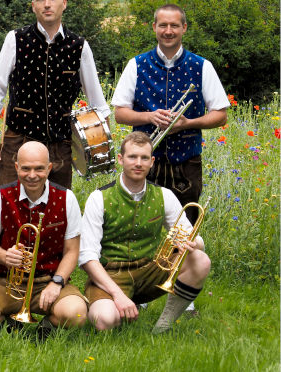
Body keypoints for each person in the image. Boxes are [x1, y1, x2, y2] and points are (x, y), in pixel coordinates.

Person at [0, 0, 110, 190]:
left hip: (60, 147)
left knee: (55, 216)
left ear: (64, 3)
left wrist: (103, 148)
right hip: (18, 142)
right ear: (33, 6)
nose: (47, 4)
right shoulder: (15, 39)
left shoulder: (79, 46)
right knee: (10, 208)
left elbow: (98, 104)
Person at [79, 132, 211, 333]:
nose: (138, 163)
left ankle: (163, 326)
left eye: (144, 158)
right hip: (111, 275)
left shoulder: (164, 195)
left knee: (200, 259)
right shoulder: (99, 198)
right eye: (132, 157)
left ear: (152, 162)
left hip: (149, 271)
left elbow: (191, 235)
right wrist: (118, 295)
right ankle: (117, 307)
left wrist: (190, 242)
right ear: (121, 160)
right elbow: (88, 258)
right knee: (104, 320)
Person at [111, 3, 228, 224]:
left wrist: (187, 123)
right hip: (144, 162)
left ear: (184, 28)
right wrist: (149, 116)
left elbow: (220, 115)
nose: (168, 31)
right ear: (154, 27)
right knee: (142, 226)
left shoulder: (202, 66)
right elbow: (120, 114)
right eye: (163, 25)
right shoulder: (136, 65)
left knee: (184, 231)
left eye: (174, 25)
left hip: (186, 164)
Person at [0, 141, 87, 337]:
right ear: (16, 168)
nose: (32, 175)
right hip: (8, 282)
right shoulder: (0, 195)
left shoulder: (66, 198)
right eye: (26, 169)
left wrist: (57, 283)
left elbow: (72, 250)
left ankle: (47, 326)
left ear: (49, 168)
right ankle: (7, 321)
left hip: (49, 280)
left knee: (77, 315)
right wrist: (5, 256)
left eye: (39, 169)